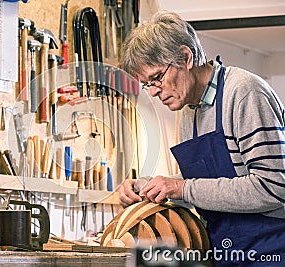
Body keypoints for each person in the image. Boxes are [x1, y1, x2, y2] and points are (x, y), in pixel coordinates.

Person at [118, 10, 285, 266]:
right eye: (146, 84)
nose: (152, 92)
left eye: (157, 78)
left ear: (186, 58)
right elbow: (207, 184)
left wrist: (181, 188)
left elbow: (274, 187)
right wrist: (150, 186)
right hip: (226, 252)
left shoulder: (244, 93)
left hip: (272, 250)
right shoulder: (189, 109)